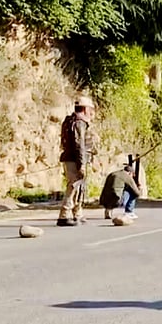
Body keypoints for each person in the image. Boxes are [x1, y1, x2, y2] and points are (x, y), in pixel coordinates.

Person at [57, 96, 95, 227]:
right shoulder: (79, 123)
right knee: (73, 185)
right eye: (90, 109)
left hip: (72, 158)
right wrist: (82, 164)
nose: (92, 112)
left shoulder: (71, 121)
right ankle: (64, 215)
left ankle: (77, 213)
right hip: (75, 160)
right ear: (85, 109)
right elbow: (80, 145)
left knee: (79, 187)